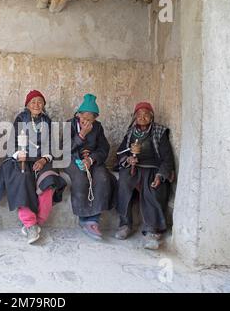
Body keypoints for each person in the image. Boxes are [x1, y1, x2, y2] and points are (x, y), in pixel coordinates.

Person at [0, 90, 66, 244]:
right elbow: (12, 142)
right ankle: (29, 223)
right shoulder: (20, 119)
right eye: (33, 102)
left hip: (42, 160)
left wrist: (44, 159)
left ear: (44, 105)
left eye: (40, 101)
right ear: (27, 105)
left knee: (49, 181)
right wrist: (18, 154)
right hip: (23, 159)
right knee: (21, 178)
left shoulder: (47, 121)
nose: (36, 104)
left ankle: (36, 222)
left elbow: (51, 146)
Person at [114, 101, 175, 250]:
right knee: (123, 183)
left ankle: (152, 231)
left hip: (152, 167)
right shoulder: (130, 133)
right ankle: (125, 224)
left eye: (146, 114)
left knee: (153, 188)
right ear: (135, 117)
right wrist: (128, 159)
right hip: (133, 166)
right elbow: (120, 152)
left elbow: (167, 158)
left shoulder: (159, 132)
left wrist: (161, 175)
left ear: (151, 117)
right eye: (139, 115)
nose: (142, 117)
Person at [64, 94, 116, 240]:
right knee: (81, 178)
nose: (86, 121)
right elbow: (64, 149)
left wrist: (92, 159)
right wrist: (81, 135)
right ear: (78, 114)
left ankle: (93, 219)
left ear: (95, 118)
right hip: (72, 160)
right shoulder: (70, 125)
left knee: (103, 177)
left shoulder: (98, 128)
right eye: (83, 118)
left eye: (90, 119)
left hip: (92, 161)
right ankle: (83, 218)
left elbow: (104, 148)